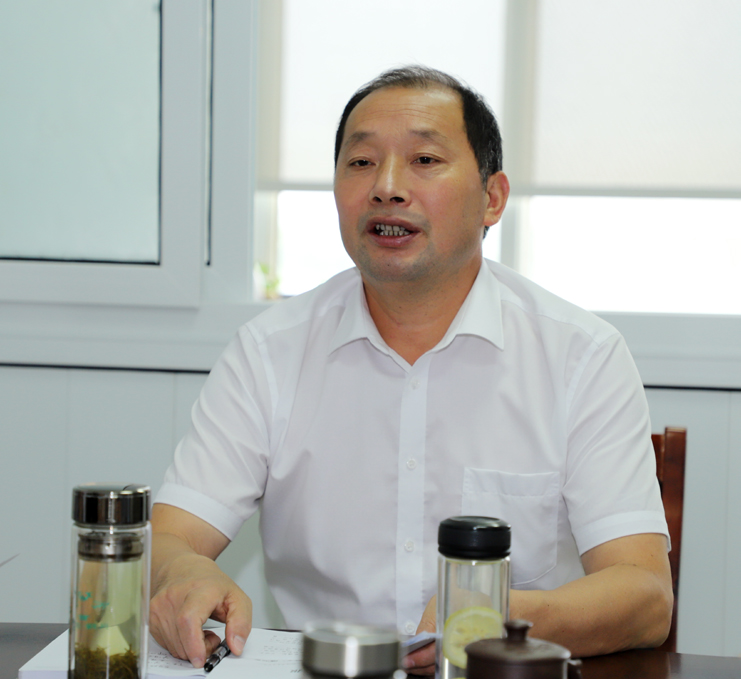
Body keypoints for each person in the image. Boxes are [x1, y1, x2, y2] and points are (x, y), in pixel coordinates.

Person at [149, 66, 673, 674]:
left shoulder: (581, 356)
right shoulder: (269, 352)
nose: (387, 187)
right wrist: (182, 573)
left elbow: (644, 595)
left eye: (424, 160)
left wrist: (492, 618)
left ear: (493, 198)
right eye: (361, 162)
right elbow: (169, 538)